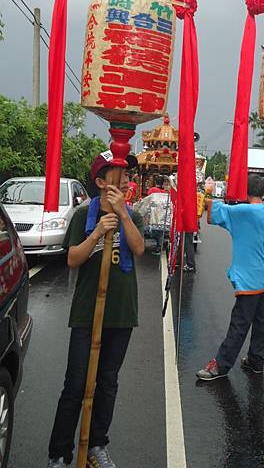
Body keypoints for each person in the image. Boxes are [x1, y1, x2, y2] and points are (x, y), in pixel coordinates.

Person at [47, 150, 145, 468]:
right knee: (75, 384)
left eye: (128, 176)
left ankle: (97, 446)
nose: (127, 181)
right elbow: (73, 259)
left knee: (108, 382)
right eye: (119, 175)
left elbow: (140, 248)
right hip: (87, 311)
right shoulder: (83, 215)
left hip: (120, 312)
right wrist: (99, 232)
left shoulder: (134, 214)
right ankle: (60, 453)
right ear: (101, 181)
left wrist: (123, 215)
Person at [196, 174, 264, 380]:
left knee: (239, 324)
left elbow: (212, 208)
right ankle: (256, 361)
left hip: (248, 280)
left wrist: (204, 193)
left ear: (246, 191)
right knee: (261, 324)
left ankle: (221, 366)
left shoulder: (240, 211)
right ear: (263, 192)